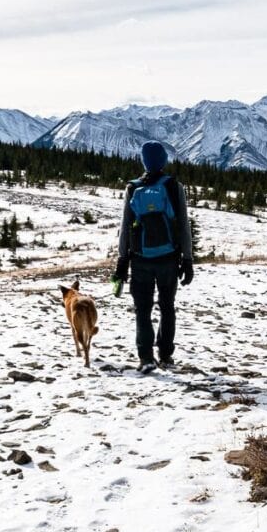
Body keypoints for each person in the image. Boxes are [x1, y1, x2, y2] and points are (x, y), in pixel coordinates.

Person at [113, 141, 194, 374]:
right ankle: (166, 355)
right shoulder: (173, 187)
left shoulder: (133, 187)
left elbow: (125, 226)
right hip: (168, 259)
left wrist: (122, 260)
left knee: (143, 309)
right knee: (167, 307)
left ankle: (146, 357)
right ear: (163, 161)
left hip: (140, 259)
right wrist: (187, 259)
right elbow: (183, 226)